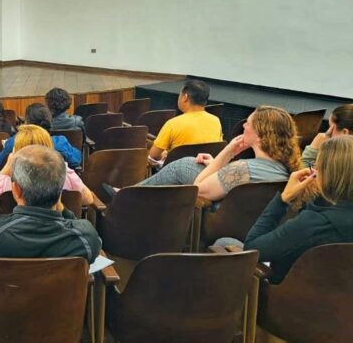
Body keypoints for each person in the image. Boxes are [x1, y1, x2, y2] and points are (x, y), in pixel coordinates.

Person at [0, 145, 101, 282]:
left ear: (15, 190)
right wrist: (62, 209)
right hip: (61, 319)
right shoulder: (85, 236)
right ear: (59, 193)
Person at [243, 135, 353, 284]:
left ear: (328, 174)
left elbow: (251, 249)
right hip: (342, 302)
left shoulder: (313, 224)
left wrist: (283, 199)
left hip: (290, 300)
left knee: (224, 242)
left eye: (317, 165)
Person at [136, 105, 301, 201]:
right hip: (242, 213)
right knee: (194, 162)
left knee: (183, 165)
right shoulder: (287, 168)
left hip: (218, 215)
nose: (244, 126)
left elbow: (197, 188)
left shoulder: (242, 168)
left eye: (248, 124)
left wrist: (227, 153)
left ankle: (128, 195)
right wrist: (217, 164)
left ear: (260, 135)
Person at [0, 124, 95, 208]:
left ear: (17, 152)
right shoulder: (66, 176)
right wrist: (61, 166)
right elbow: (88, 199)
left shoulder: (6, 183)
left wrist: (8, 166)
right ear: (49, 148)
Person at [148, 79, 223, 162]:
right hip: (205, 171)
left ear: (185, 97)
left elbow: (153, 155)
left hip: (177, 172)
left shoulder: (173, 124)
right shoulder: (216, 121)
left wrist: (164, 154)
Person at [0, 103, 82, 169]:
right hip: (55, 188)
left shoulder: (14, 142)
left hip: (21, 188)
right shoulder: (60, 142)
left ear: (27, 123)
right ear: (49, 122)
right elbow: (77, 160)